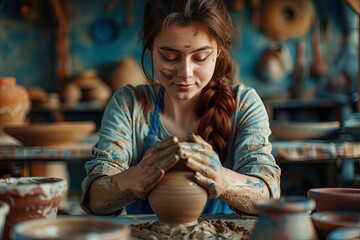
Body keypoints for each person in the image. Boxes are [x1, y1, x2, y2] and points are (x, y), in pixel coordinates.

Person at [81, 0, 281, 216]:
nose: (185, 72)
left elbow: (269, 195)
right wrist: (137, 178)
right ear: (150, 49)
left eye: (200, 57)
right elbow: (95, 200)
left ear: (219, 52)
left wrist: (222, 180)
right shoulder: (129, 104)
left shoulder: (244, 104)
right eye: (170, 57)